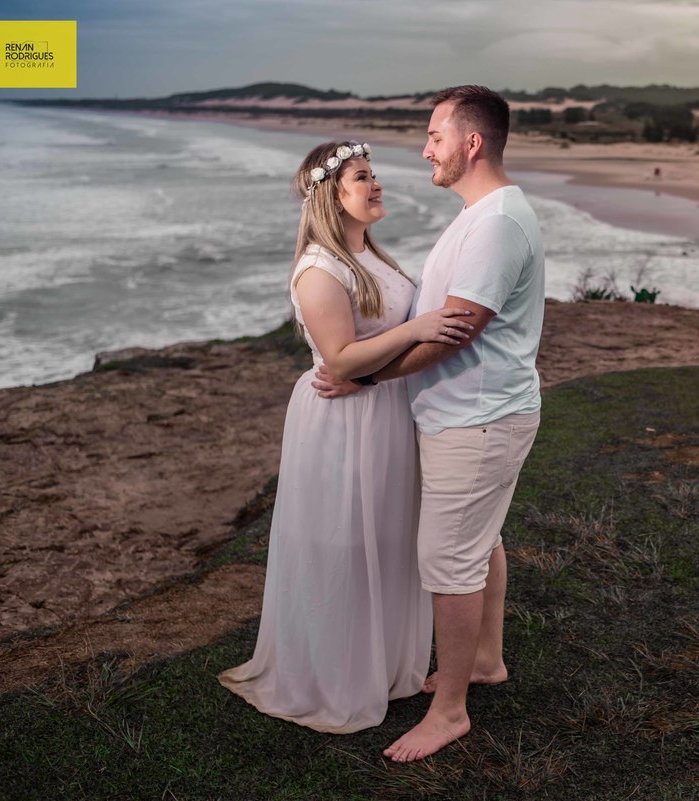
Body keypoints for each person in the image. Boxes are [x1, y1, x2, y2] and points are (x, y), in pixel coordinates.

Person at [313, 86, 545, 761]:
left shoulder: (496, 224)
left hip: (477, 418)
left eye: (435, 136)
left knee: (449, 561)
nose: (424, 150)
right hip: (476, 411)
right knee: (478, 542)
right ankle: (485, 661)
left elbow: (457, 332)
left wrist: (364, 377)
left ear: (472, 143)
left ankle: (449, 713)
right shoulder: (481, 213)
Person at [218, 140, 476, 733]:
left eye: (373, 174)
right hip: (342, 422)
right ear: (333, 196)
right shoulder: (319, 270)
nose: (376, 183)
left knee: (387, 540)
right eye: (362, 177)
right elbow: (338, 359)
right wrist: (417, 328)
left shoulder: (372, 257)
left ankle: (381, 666)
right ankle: (334, 677)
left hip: (387, 411)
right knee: (343, 543)